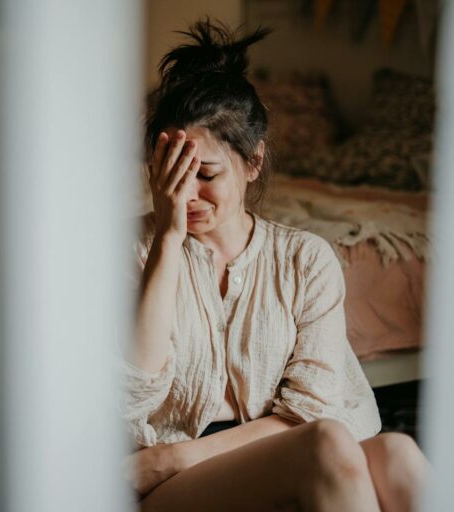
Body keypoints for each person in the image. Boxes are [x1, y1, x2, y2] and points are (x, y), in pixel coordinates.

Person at [122, 20, 430, 511]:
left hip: (181, 460)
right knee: (325, 444)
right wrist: (168, 238)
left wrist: (174, 458)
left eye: (205, 175)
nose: (187, 194)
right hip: (164, 486)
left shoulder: (306, 259)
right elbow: (129, 398)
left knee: (398, 453)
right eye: (172, 173)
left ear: (253, 162)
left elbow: (309, 411)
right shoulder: (131, 251)